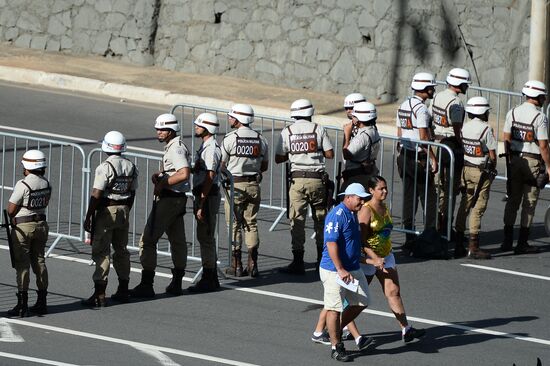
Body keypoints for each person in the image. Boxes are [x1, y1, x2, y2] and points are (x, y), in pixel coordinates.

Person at [357, 175, 426, 342]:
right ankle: (341, 324)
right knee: (358, 299)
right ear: (371, 190)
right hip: (370, 259)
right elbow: (362, 240)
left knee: (393, 291)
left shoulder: (384, 206)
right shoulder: (366, 210)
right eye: (381, 188)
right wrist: (374, 259)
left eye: (386, 188)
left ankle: (406, 329)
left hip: (386, 255)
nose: (385, 191)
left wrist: (383, 257)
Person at [131, 113, 191, 297]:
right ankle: (177, 282)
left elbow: (183, 173)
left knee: (148, 240)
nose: (158, 132)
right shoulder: (174, 146)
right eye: (157, 128)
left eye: (162, 129)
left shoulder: (176, 149)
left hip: (170, 199)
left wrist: (163, 183)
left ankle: (147, 284)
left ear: (171, 131)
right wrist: (162, 175)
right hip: (176, 199)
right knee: (177, 241)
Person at [275, 99, 334, 274]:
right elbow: (329, 154)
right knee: (321, 220)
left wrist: (295, 153)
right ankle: (321, 260)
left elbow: (279, 158)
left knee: (297, 220)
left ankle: (298, 261)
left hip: (297, 180)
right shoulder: (318, 129)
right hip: (317, 180)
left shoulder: (288, 131)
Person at [82, 131, 138, 307]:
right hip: (124, 209)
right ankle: (123, 289)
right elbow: (133, 192)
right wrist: (127, 209)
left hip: (107, 210)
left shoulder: (104, 167)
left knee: (101, 251)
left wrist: (89, 216)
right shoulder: (131, 166)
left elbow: (96, 193)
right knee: (121, 249)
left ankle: (99, 294)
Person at [319, 183, 372, 362]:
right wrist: (340, 269)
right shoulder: (336, 216)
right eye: (359, 198)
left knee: (363, 300)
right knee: (334, 308)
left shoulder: (352, 213)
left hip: (352, 267)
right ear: (348, 197)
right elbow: (331, 243)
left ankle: (333, 330)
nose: (362, 202)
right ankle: (336, 347)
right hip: (334, 271)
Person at [502, 80, 550, 254]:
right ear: (538, 97)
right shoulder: (540, 117)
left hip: (515, 160)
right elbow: (543, 146)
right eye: (543, 95)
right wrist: (549, 167)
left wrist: (509, 161)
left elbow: (506, 139)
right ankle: (522, 243)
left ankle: (507, 241)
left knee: (512, 201)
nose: (545, 98)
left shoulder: (512, 112)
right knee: (529, 203)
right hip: (532, 162)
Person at [221, 104, 268, 277]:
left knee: (233, 224)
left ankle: (237, 265)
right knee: (251, 224)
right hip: (254, 185)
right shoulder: (260, 139)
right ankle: (253, 264)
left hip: (235, 186)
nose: (229, 119)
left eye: (231, 116)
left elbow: (221, 164)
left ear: (239, 119)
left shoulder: (230, 138)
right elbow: (265, 165)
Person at [6, 150, 51, 316]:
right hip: (41, 225)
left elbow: (11, 209)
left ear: (27, 166)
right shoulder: (46, 183)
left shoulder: (23, 184)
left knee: (22, 265)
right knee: (39, 261)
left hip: (24, 227)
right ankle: (42, 301)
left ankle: (22, 303)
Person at [396, 72, 438, 247]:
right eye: (431, 87)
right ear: (425, 89)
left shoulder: (404, 105)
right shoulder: (421, 109)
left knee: (408, 196)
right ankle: (429, 233)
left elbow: (399, 132)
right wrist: (433, 158)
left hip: (404, 156)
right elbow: (423, 137)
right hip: (418, 158)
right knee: (428, 197)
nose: (433, 90)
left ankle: (409, 235)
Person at [430, 68, 471, 236]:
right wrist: (463, 145)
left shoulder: (438, 96)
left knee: (438, 186)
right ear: (459, 84)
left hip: (436, 143)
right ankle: (445, 225)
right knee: (451, 188)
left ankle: (438, 223)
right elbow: (456, 128)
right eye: (465, 84)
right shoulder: (456, 102)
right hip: (449, 146)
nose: (467, 87)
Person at [454, 97, 497, 259]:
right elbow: (492, 155)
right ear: (482, 112)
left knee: (464, 204)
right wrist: (492, 168)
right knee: (478, 207)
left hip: (467, 169)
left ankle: (458, 244)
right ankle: (473, 247)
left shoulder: (465, 128)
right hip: (481, 171)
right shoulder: (486, 129)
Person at [188, 113, 222, 293]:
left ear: (207, 128)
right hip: (205, 196)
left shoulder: (211, 149)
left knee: (206, 238)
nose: (195, 127)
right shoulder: (206, 146)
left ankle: (209, 278)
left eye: (198, 125)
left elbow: (210, 176)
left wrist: (201, 201)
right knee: (204, 237)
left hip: (207, 197)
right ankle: (211, 277)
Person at [341, 101, 381, 192]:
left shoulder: (363, 136)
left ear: (360, 119)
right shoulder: (374, 131)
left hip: (356, 175)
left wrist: (347, 135)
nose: (352, 119)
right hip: (367, 171)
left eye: (354, 117)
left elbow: (346, 154)